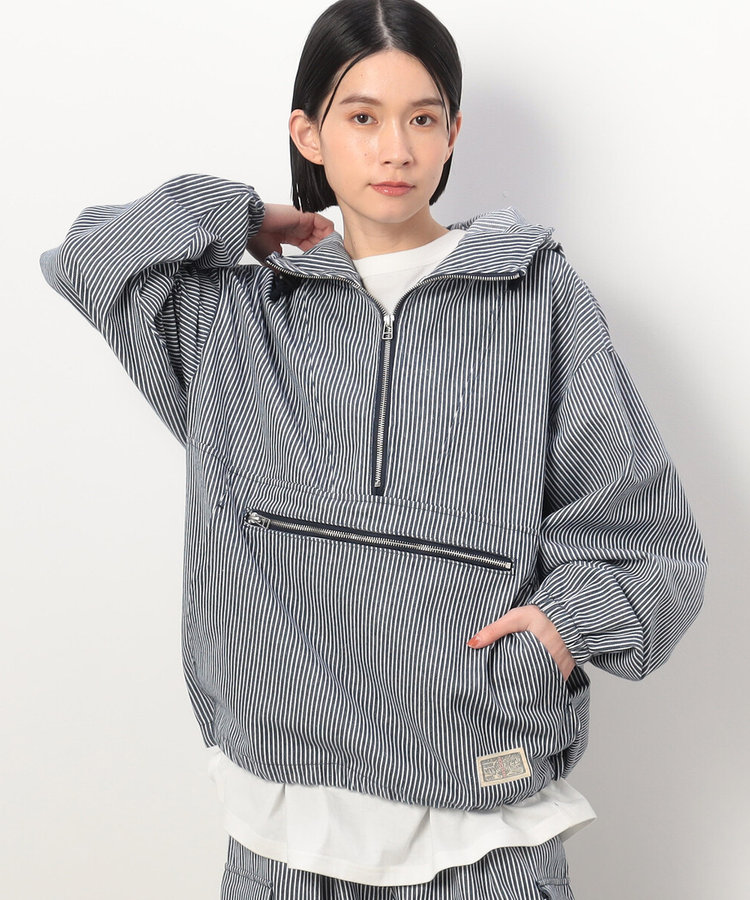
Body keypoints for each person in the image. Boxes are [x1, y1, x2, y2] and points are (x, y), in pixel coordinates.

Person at [38, 0, 708, 897]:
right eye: (362, 117)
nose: (395, 149)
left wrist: (563, 627)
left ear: (452, 133)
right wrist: (241, 217)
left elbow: (648, 540)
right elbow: (89, 259)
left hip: (483, 826)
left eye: (422, 119)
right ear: (308, 134)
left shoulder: (537, 297)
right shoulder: (234, 320)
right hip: (282, 833)